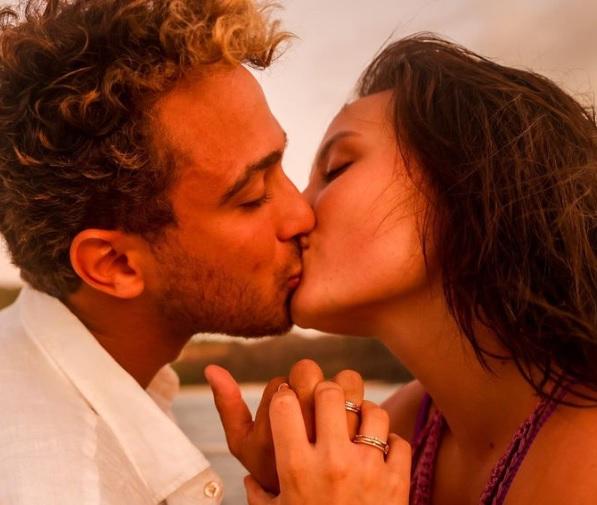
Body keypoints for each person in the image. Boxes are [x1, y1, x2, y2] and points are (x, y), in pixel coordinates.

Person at [208, 35, 597, 505]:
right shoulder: (409, 427)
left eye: (336, 169)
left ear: (467, 185)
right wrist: (292, 483)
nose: (298, 213)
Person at [0, 0, 329, 503]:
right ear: (114, 264)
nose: (302, 215)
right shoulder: (66, 487)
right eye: (251, 196)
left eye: (280, 165)